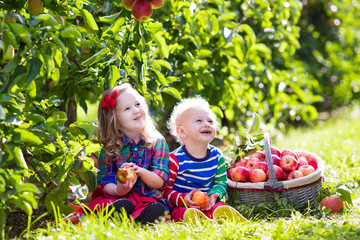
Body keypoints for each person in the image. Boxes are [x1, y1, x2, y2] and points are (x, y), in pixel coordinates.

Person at [65, 83, 170, 225]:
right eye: (127, 108)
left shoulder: (157, 142)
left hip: (146, 198)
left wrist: (141, 172)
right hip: (117, 197)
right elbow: (105, 182)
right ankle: (116, 215)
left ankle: (138, 220)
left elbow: (159, 180)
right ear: (115, 120)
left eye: (138, 104)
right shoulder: (110, 147)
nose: (136, 110)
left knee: (157, 209)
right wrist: (120, 189)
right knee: (119, 204)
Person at [162, 97, 248, 224]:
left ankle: (221, 215)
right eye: (199, 121)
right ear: (182, 131)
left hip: (206, 203)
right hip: (182, 205)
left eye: (210, 121)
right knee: (179, 213)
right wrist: (183, 199)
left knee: (219, 207)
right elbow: (165, 190)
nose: (207, 124)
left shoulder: (216, 156)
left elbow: (221, 182)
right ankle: (194, 218)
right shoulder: (175, 159)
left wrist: (213, 196)